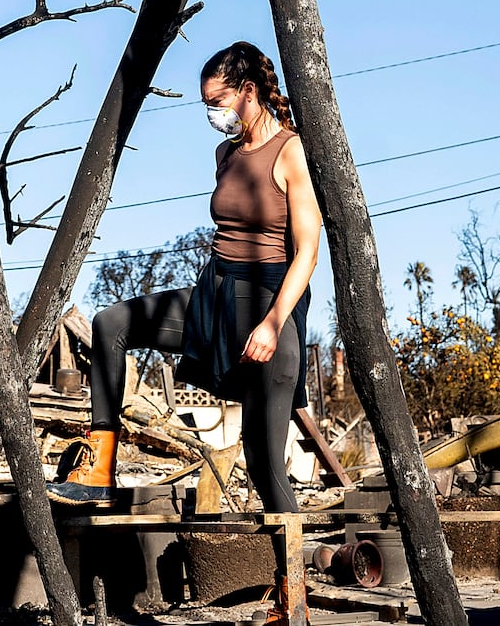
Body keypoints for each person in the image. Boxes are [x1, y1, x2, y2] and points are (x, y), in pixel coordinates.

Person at [47, 41, 322, 621]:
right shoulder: (225, 153)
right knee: (110, 324)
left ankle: (290, 597)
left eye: (217, 100)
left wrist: (275, 323)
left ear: (248, 91)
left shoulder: (291, 151)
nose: (211, 114)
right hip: (216, 296)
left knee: (268, 467)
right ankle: (100, 462)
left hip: (271, 303)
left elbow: (308, 252)